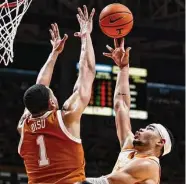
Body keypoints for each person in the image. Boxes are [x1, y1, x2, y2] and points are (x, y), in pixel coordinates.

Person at [17, 5, 95, 184]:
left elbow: (39, 88)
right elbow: (88, 72)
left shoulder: (24, 126)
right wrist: (85, 36)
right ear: (52, 103)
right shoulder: (66, 117)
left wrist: (54, 54)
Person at [85, 38, 174, 184]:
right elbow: (121, 106)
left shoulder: (150, 164)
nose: (141, 129)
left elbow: (107, 182)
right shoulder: (129, 148)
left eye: (149, 129)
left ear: (161, 142)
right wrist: (123, 68)